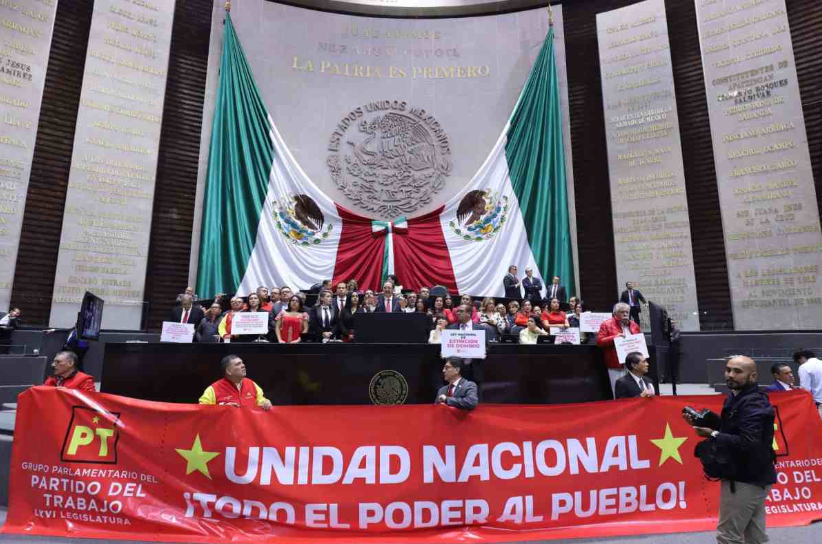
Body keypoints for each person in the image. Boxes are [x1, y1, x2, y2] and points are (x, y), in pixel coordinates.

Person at [683, 355, 776, 544]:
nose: (730, 375)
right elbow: (735, 430)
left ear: (753, 376)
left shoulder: (753, 402)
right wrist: (711, 423)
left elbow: (749, 442)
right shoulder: (736, 396)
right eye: (728, 370)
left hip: (746, 478)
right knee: (755, 537)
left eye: (737, 371)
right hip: (752, 476)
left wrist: (712, 434)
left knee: (728, 536)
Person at [596, 302, 641, 398]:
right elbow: (599, 342)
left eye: (627, 312)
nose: (625, 314)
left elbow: (640, 341)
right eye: (622, 312)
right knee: (619, 390)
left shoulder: (634, 325)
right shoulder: (606, 324)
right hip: (616, 363)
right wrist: (614, 337)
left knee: (635, 389)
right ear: (615, 313)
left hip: (633, 364)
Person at [199, 354, 272, 410]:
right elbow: (202, 410)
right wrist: (222, 407)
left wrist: (265, 402)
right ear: (228, 371)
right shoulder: (213, 389)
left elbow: (261, 401)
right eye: (238, 364)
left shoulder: (252, 384)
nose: (243, 365)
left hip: (250, 425)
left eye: (242, 363)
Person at [794, 350, 822, 419]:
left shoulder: (804, 367)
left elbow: (805, 390)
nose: (800, 364)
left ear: (802, 357)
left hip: (819, 404)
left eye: (799, 362)